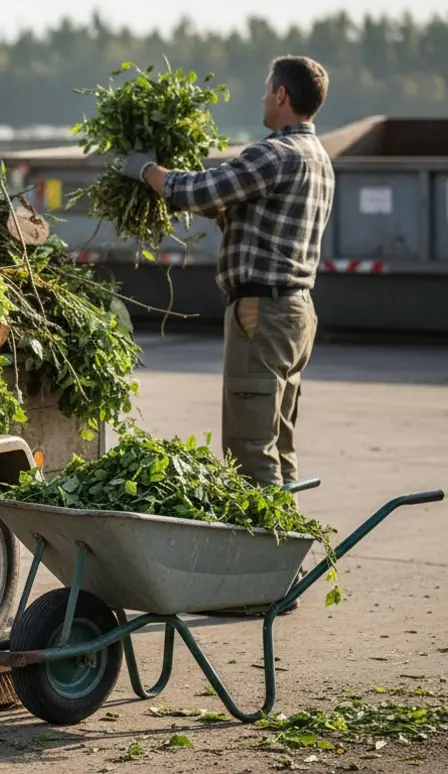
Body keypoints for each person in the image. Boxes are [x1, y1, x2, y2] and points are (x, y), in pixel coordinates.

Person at [117, 55, 335, 615]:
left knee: (248, 447)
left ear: (282, 96)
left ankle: (263, 587)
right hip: (295, 312)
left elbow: (196, 190)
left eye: (267, 89)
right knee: (278, 447)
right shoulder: (317, 157)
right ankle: (284, 571)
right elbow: (234, 208)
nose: (263, 97)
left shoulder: (277, 153)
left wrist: (145, 170)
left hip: (262, 313)